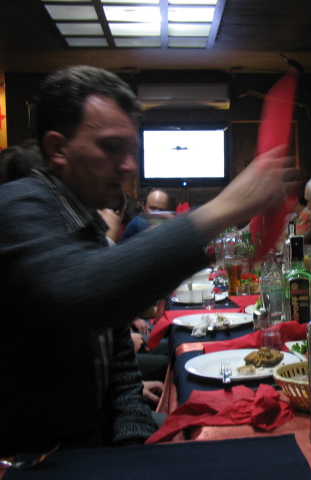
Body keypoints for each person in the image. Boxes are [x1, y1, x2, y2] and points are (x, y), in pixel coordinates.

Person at [0, 65, 286, 455]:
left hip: (96, 445)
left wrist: (132, 438)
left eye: (130, 151)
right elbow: (84, 292)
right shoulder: (16, 205)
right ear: (57, 149)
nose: (130, 166)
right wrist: (223, 209)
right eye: (110, 147)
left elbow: (118, 363)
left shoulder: (84, 223)